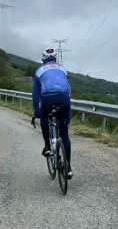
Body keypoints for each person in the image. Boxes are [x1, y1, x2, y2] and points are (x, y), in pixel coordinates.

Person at [32, 48, 73, 179]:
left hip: (48, 97)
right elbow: (68, 89)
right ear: (55, 59)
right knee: (64, 134)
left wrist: (37, 112)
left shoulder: (39, 71)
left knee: (44, 116)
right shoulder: (63, 69)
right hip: (64, 98)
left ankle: (48, 146)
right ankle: (68, 168)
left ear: (43, 59)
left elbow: (35, 95)